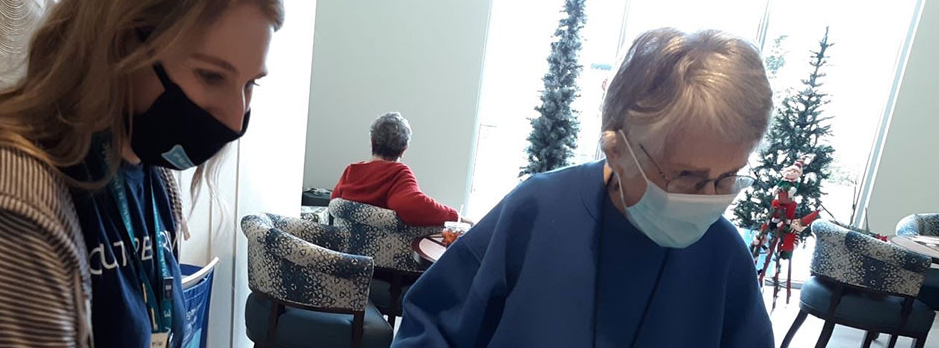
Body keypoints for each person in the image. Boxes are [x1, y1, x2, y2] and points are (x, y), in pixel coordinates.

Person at [0, 0, 282, 347]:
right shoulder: (10, 201)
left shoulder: (149, 172)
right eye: (210, 76)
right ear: (119, 45)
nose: (236, 118)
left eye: (251, 85)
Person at [394, 28, 776, 347]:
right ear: (617, 151)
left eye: (728, 177)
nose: (708, 200)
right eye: (687, 177)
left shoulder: (724, 256)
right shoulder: (537, 211)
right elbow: (431, 327)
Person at [332, 112, 469, 226]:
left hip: (343, 249)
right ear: (404, 150)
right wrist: (456, 217)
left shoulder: (351, 171)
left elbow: (334, 201)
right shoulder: (398, 174)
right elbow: (411, 205)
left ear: (371, 142)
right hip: (385, 250)